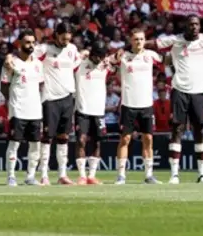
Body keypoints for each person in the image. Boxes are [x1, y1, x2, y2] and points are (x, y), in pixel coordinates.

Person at [156, 14, 203, 184]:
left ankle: (202, 175)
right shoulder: (175, 40)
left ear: (200, 26)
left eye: (196, 24)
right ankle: (174, 175)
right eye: (191, 24)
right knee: (177, 129)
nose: (194, 27)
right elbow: (154, 43)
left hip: (200, 92)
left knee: (199, 131)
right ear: (185, 26)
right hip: (179, 90)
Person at [116, 28, 163, 184]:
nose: (139, 42)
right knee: (125, 139)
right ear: (131, 40)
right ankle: (121, 175)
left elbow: (166, 61)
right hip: (128, 104)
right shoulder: (123, 56)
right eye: (136, 39)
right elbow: (108, 61)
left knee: (148, 139)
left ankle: (149, 175)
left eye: (142, 39)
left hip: (146, 104)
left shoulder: (150, 56)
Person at [37, 21, 81, 185]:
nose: (66, 42)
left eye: (68, 39)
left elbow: (76, 67)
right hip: (50, 98)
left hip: (67, 98)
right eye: (63, 38)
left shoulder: (72, 50)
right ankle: (44, 175)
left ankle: (62, 174)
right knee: (47, 137)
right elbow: (28, 58)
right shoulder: (44, 50)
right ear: (56, 34)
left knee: (64, 137)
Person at [2, 29, 43, 186]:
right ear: (19, 43)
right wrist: (12, 100)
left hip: (35, 110)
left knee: (35, 144)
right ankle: (11, 176)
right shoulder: (11, 63)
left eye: (33, 42)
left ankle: (30, 176)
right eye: (27, 42)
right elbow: (4, 86)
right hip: (18, 108)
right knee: (15, 143)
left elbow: (39, 85)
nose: (31, 45)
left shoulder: (38, 64)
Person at [73, 39, 113, 185]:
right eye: (97, 56)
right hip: (82, 109)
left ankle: (92, 175)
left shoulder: (105, 65)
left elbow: (118, 59)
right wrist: (81, 54)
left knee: (97, 142)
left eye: (102, 56)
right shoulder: (79, 64)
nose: (99, 59)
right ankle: (82, 176)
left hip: (99, 110)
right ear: (92, 54)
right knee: (81, 140)